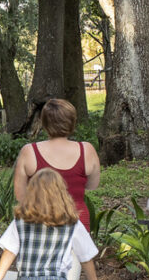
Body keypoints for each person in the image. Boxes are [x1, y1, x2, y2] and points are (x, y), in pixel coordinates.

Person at [12, 97, 98, 229]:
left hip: (41, 221)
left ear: (43, 122)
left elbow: (20, 195)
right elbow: (92, 185)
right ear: (72, 122)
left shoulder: (29, 152)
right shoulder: (86, 149)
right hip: (78, 222)